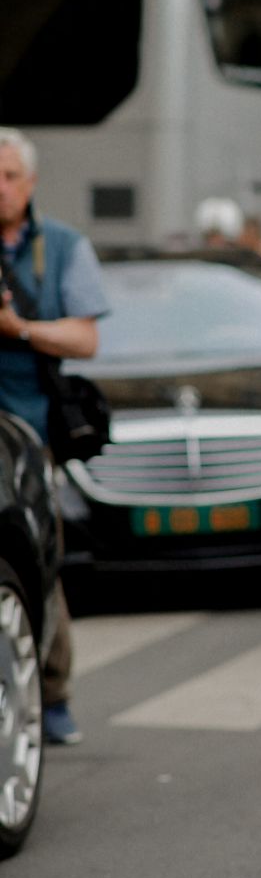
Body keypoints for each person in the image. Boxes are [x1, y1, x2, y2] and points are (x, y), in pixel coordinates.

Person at [0, 128, 110, 746]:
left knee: (39, 561)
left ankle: (53, 690)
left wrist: (19, 329)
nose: (1, 188)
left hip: (31, 433)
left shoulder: (62, 245)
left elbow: (86, 339)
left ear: (32, 182)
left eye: (9, 176)